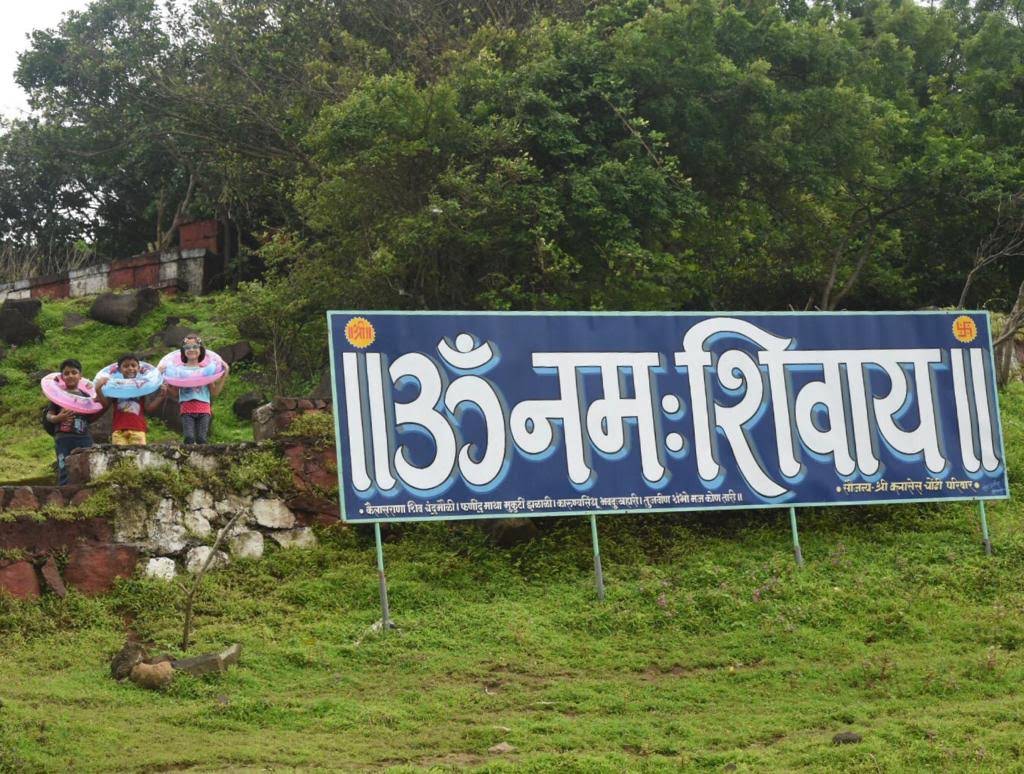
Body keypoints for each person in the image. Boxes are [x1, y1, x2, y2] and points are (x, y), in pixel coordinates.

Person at [163, 335, 229, 444]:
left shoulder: (207, 371)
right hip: (187, 408)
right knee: (188, 438)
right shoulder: (178, 371)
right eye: (187, 347)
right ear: (183, 351)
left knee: (202, 439)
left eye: (195, 346)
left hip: (204, 409)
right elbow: (175, 394)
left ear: (200, 349)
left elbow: (214, 392)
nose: (191, 349)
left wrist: (224, 376)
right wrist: (167, 387)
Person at [95, 353, 168, 445]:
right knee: (119, 457)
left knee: (138, 456)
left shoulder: (142, 387)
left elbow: (148, 408)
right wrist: (98, 389)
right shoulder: (114, 387)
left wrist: (161, 396)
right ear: (119, 370)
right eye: (125, 366)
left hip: (138, 429)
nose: (130, 368)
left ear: (138, 368)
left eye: (133, 365)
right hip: (119, 429)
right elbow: (105, 405)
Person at [44, 358, 95, 485]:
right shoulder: (57, 395)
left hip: (83, 436)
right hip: (63, 437)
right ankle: (63, 491)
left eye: (74, 372)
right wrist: (58, 418)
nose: (70, 376)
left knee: (87, 464)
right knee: (64, 466)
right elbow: (49, 416)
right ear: (62, 377)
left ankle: (86, 491)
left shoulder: (87, 396)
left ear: (80, 375)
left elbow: (93, 413)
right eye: (66, 373)